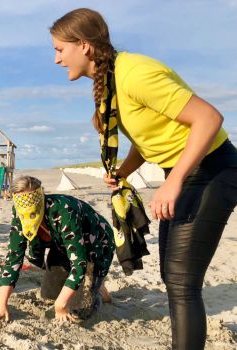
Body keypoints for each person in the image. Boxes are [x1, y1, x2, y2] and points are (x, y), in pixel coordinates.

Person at [50, 8, 237, 349]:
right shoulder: (110, 84)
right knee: (173, 276)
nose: (57, 59)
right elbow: (147, 139)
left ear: (84, 45)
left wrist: (174, 181)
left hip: (212, 169)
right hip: (185, 171)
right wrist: (123, 172)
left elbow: (209, 118)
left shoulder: (134, 73)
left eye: (60, 49)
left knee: (182, 281)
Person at [0, 175, 115, 326]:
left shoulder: (63, 211)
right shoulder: (19, 212)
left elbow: (79, 264)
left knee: (79, 311)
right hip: (61, 245)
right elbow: (13, 259)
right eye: (23, 210)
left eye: (33, 208)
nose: (28, 215)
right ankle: (95, 283)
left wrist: (60, 306)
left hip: (95, 245)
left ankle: (98, 288)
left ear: (41, 198)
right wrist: (1, 304)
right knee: (48, 296)